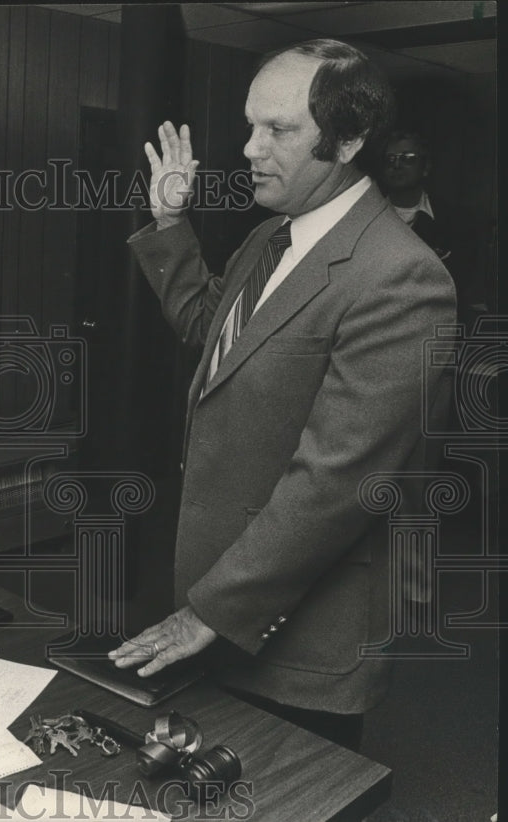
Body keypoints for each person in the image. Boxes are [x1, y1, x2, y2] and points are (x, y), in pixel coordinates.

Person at [109, 40, 456, 750]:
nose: (248, 148)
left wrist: (206, 612)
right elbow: (215, 334)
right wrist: (171, 224)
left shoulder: (402, 277)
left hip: (296, 629)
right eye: (249, 125)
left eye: (279, 130)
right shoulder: (270, 238)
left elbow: (338, 482)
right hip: (218, 586)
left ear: (351, 140)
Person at [381, 130, 485, 322]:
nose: (396, 165)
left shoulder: (456, 221)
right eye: (390, 159)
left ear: (425, 167)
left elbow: (465, 285)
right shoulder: (368, 218)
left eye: (407, 158)